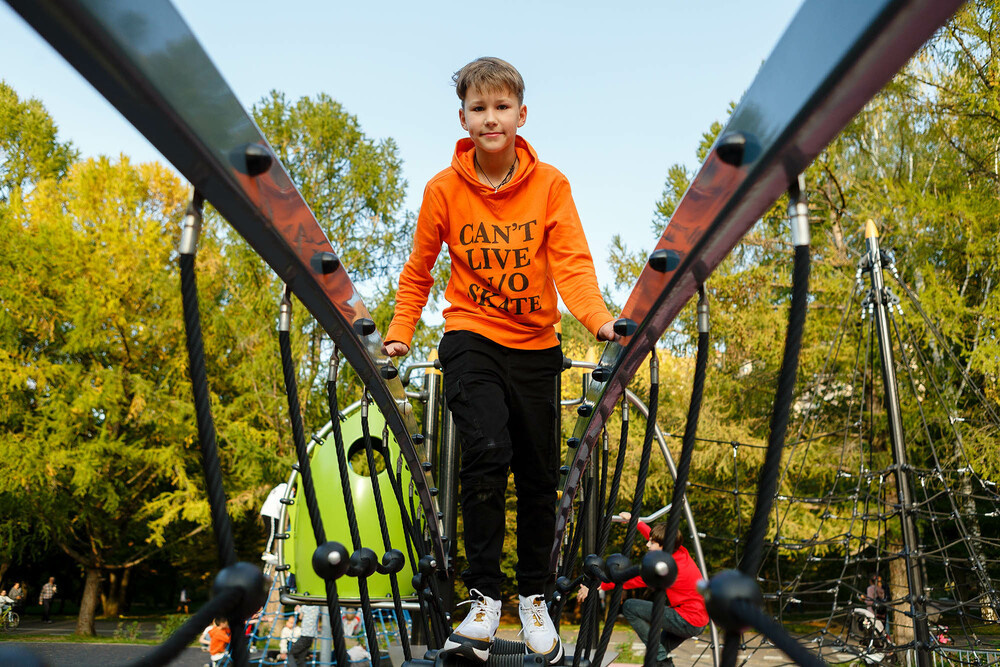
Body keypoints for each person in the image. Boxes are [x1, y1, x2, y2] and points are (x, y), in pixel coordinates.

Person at [382, 56, 618, 664]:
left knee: (540, 478)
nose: (491, 118)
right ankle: (484, 598)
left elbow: (572, 265)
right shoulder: (443, 189)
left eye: (502, 106)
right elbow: (418, 271)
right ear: (462, 117)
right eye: (479, 108)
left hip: (537, 347)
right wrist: (399, 333)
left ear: (521, 114)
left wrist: (599, 321)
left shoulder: (551, 185)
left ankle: (534, 598)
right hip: (470, 338)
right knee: (487, 453)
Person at [579, 513, 708, 667]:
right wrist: (637, 521)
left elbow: (629, 580)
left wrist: (599, 585)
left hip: (687, 619)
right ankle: (658, 660)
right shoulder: (678, 551)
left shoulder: (665, 569)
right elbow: (660, 538)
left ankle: (663, 661)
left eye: (651, 543)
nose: (647, 545)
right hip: (699, 619)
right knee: (654, 653)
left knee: (630, 607)